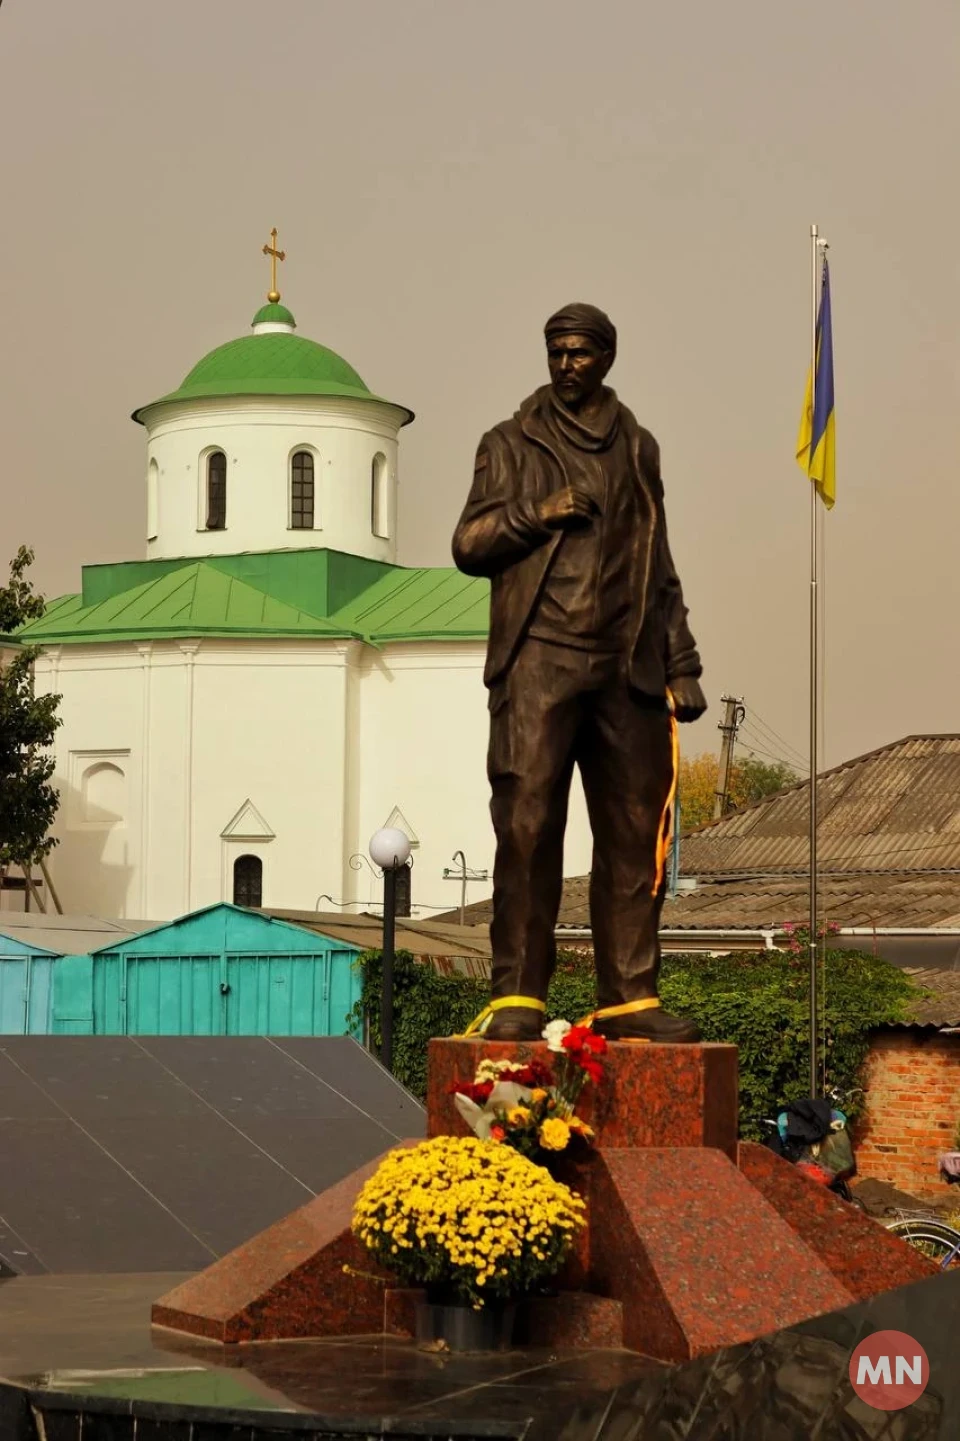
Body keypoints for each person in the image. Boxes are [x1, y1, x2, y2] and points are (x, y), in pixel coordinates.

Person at [452, 302, 706, 1042]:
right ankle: (518, 996)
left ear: (607, 359)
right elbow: (469, 543)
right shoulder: (507, 443)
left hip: (628, 665)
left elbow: (659, 559)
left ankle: (630, 996)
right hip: (540, 658)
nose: (566, 364)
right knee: (528, 825)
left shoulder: (638, 448)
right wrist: (543, 510)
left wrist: (681, 659)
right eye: (556, 352)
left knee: (633, 833)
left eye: (580, 354)